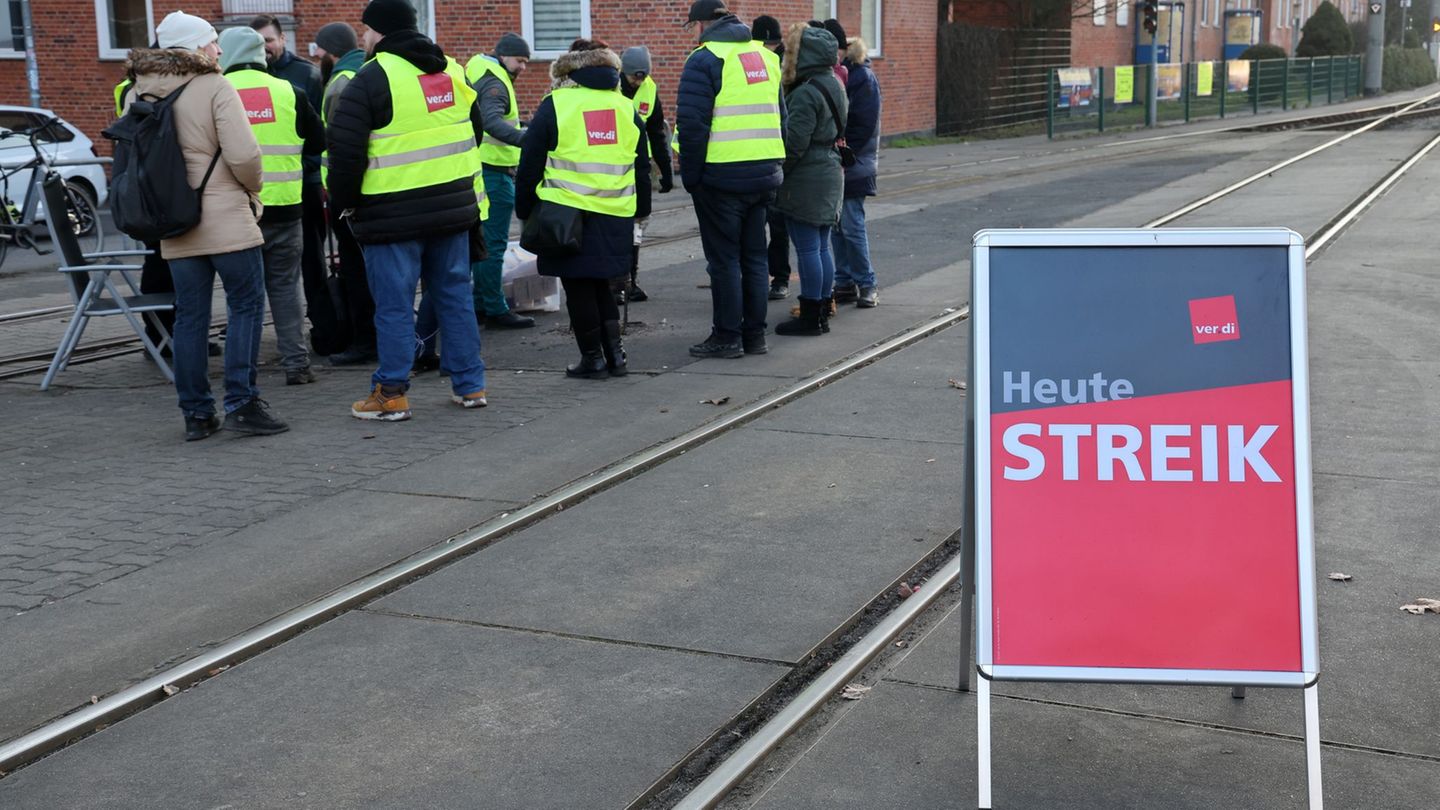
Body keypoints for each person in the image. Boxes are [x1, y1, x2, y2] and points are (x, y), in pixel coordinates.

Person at [123, 11, 288, 440]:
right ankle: (242, 402)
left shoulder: (136, 92)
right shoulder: (215, 85)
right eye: (212, 41)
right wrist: (253, 192)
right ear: (196, 45)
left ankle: (196, 414)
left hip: (173, 220)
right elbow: (245, 156)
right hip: (226, 218)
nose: (217, 49)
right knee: (246, 306)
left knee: (190, 317)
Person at [327, 0, 488, 421]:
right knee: (454, 296)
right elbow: (476, 129)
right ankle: (471, 386)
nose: (362, 38)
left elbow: (345, 153)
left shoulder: (372, 77)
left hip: (391, 217)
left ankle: (391, 393)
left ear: (378, 31)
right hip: (452, 210)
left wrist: (343, 204)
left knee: (396, 305)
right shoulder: (451, 70)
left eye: (364, 31)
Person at [515, 40, 650, 379]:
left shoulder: (556, 104)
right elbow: (641, 164)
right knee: (602, 285)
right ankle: (616, 358)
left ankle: (593, 360)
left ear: (567, 75)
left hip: (567, 213)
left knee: (578, 288)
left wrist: (525, 208)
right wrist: (642, 209)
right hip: (615, 212)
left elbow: (530, 162)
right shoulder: (625, 106)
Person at [676, 0, 785, 358]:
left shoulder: (705, 59)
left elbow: (692, 127)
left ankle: (726, 337)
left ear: (703, 24)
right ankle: (754, 336)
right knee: (755, 257)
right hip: (763, 176)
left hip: (721, 178)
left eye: (693, 27)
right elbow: (780, 118)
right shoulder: (765, 58)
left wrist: (692, 178)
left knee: (724, 261)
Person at [218, 27, 324, 386]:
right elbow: (318, 140)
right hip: (286, 207)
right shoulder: (289, 91)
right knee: (286, 287)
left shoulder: (218, 93)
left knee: (243, 296)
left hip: (237, 212)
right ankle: (297, 365)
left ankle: (243, 372)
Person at [251, 14, 344, 357]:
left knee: (311, 265)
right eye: (258, 42)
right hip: (256, 193)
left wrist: (305, 170)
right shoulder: (241, 80)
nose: (265, 48)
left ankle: (324, 332)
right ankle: (283, 340)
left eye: (269, 40)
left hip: (302, 186)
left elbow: (319, 133)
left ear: (283, 40)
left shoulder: (305, 75)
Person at [771, 24, 845, 337]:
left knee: (807, 249)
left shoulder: (805, 92)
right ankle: (823, 309)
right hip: (830, 170)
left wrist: (777, 171)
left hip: (808, 177)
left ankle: (811, 315)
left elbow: (795, 144)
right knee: (821, 246)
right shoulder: (834, 83)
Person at [314, 22, 378, 366]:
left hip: (348, 194)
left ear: (332, 51)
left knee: (356, 269)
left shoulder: (340, 81)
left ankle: (364, 341)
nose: (317, 56)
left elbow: (342, 145)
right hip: (375, 189)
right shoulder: (367, 69)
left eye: (319, 50)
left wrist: (342, 196)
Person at [464, 34, 536, 330]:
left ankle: (481, 304)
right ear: (504, 55)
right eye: (520, 61)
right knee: (493, 244)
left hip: (479, 167)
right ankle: (495, 308)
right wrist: (527, 140)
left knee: (481, 242)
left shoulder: (479, 70)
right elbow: (491, 122)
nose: (522, 68)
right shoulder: (495, 83)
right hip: (493, 171)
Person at [615, 45, 672, 305]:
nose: (639, 82)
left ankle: (630, 281)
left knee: (639, 222)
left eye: (642, 76)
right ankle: (613, 283)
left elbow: (657, 132)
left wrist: (666, 168)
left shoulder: (649, 87)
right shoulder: (610, 87)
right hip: (614, 167)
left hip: (640, 167)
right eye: (634, 77)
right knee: (615, 225)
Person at [831, 34, 881, 308]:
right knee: (837, 227)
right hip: (842, 162)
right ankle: (845, 281)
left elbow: (864, 124)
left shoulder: (862, 77)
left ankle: (866, 283)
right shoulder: (842, 74)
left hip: (854, 164)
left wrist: (841, 150)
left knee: (850, 225)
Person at [750, 14, 792, 302]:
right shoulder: (748, 64)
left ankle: (780, 277)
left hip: (775, 155)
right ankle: (757, 277)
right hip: (756, 154)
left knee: (777, 224)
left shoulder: (787, 66)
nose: (769, 50)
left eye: (773, 45)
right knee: (756, 224)